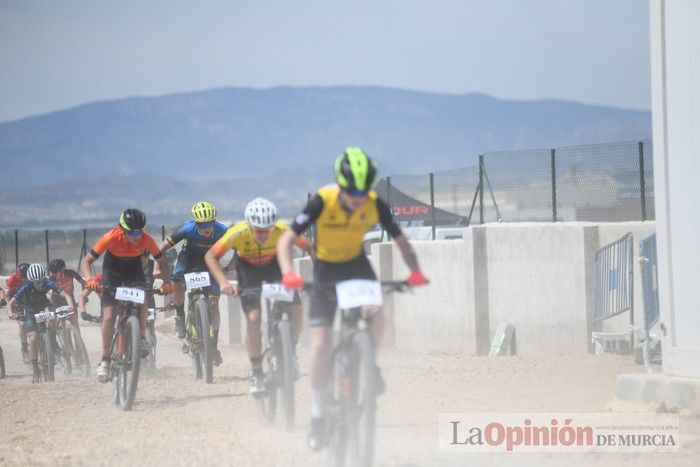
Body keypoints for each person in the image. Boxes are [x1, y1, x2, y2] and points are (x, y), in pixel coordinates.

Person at [277, 147, 429, 450]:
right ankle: (319, 415)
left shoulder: (375, 204)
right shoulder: (323, 200)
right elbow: (286, 240)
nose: (358, 197)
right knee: (320, 344)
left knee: (375, 308)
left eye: (363, 191)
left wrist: (415, 272)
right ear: (341, 185)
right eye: (351, 191)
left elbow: (402, 242)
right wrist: (287, 273)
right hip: (325, 269)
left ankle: (369, 363)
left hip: (357, 265)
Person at [205, 197, 312, 394]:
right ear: (249, 225)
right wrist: (224, 283)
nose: (263, 235)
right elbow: (211, 256)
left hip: (275, 268)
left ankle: (290, 353)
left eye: (268, 230)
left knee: (297, 309)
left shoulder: (282, 229)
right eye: (258, 231)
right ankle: (256, 372)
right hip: (249, 271)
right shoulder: (237, 233)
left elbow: (310, 247)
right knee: (253, 319)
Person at [80, 208, 173, 382]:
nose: (136, 235)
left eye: (139, 231)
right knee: (108, 317)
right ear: (123, 229)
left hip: (133, 270)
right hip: (112, 271)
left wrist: (167, 282)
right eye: (131, 232)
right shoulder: (110, 237)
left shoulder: (146, 240)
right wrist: (90, 279)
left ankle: (142, 337)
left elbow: (161, 261)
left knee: (143, 298)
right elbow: (87, 261)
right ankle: (105, 359)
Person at [156, 201, 227, 364]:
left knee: (214, 304)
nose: (206, 228)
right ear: (196, 223)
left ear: (214, 221)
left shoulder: (223, 230)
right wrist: (157, 266)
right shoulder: (188, 229)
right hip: (188, 260)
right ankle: (180, 316)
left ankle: (214, 348)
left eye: (210, 224)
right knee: (178, 283)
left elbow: (239, 248)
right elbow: (162, 248)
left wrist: (233, 264)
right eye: (202, 225)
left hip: (211, 263)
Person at [6, 263, 77, 382]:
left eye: (40, 281)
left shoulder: (47, 282)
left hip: (44, 306)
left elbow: (65, 294)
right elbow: (10, 303)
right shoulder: (26, 286)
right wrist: (10, 314)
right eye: (35, 282)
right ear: (30, 280)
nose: (38, 285)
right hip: (30, 311)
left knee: (52, 314)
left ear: (43, 278)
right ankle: (35, 369)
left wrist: (70, 305)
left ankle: (52, 341)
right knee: (33, 339)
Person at [3, 263, 30, 363]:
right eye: (22, 275)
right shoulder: (12, 279)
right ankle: (24, 349)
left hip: (27, 302)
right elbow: (6, 296)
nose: (24, 278)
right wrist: (9, 311)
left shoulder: (30, 278)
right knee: (22, 325)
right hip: (15, 304)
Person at [47, 258, 85, 329]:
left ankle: (78, 339)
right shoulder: (52, 278)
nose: (53, 274)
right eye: (52, 272)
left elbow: (83, 282)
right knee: (52, 319)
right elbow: (47, 289)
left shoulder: (70, 273)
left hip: (70, 298)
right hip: (56, 299)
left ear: (63, 269)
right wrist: (53, 292)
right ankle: (51, 335)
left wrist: (84, 296)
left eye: (55, 272)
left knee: (75, 322)